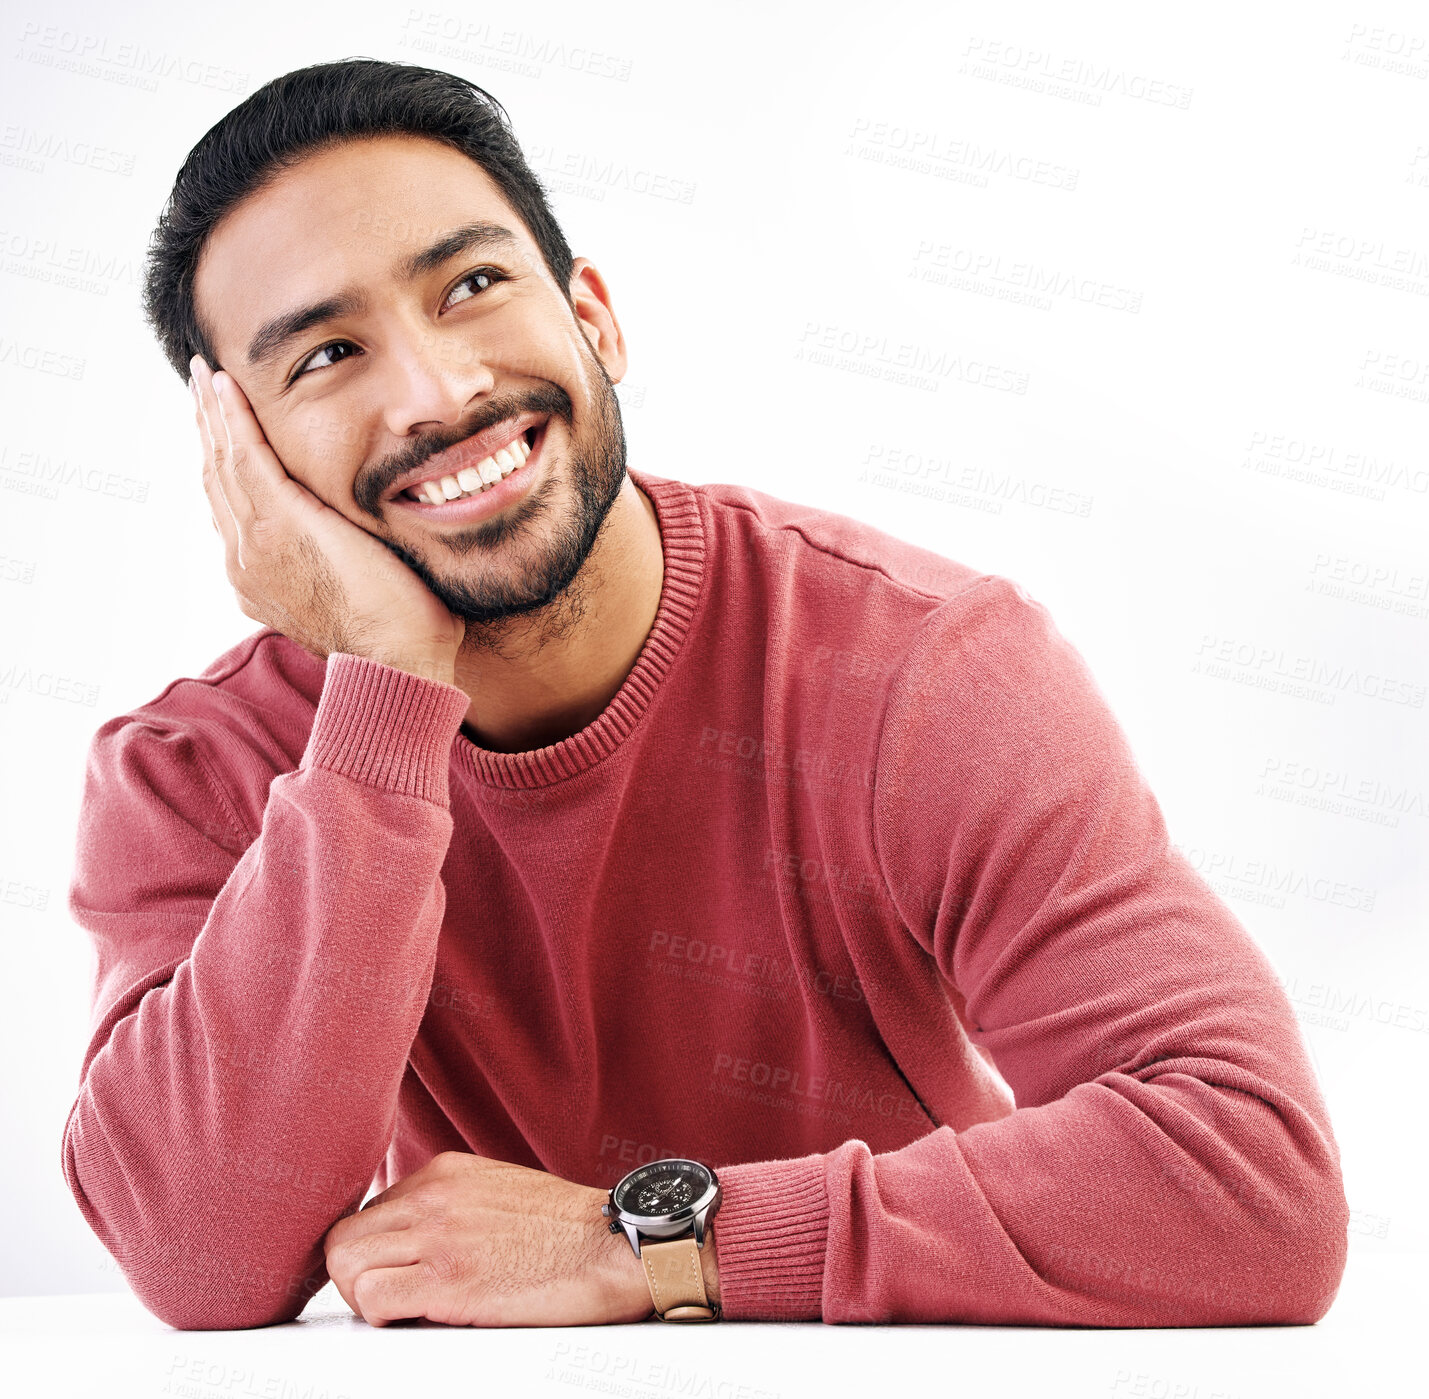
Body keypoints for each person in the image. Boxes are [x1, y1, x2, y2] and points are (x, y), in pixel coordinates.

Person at [62, 58, 1348, 1331]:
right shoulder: (195, 768)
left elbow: (1251, 1181)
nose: (436, 393)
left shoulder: (920, 669)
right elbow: (200, 1257)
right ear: (243, 456)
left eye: (472, 285)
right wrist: (386, 698)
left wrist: (642, 1242)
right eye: (328, 354)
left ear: (596, 320)